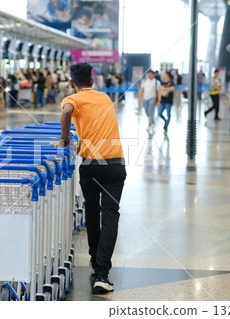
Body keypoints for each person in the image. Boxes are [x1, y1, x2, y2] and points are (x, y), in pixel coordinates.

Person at [51, 63, 126, 294]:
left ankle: (96, 263)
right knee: (111, 214)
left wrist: (65, 142)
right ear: (92, 81)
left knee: (92, 212)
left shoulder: (72, 99)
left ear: (72, 83)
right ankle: (102, 273)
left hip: (92, 166)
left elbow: (66, 112)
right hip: (115, 164)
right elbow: (97, 127)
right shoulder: (104, 97)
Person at [138, 70, 161, 134]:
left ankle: (149, 125)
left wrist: (159, 100)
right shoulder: (144, 81)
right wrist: (139, 97)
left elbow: (159, 92)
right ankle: (152, 122)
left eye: (151, 74)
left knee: (151, 112)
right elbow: (142, 90)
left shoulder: (156, 82)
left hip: (152, 98)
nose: (149, 75)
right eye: (148, 74)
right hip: (145, 99)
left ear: (154, 75)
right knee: (146, 111)